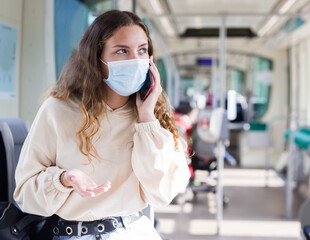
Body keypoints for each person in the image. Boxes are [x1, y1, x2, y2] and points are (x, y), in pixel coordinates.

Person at [13, 10, 190, 240]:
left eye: (142, 50)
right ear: (97, 58)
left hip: (134, 232)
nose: (135, 60)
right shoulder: (57, 110)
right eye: (122, 51)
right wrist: (63, 179)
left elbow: (162, 192)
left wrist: (146, 118)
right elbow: (24, 194)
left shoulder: (153, 117)